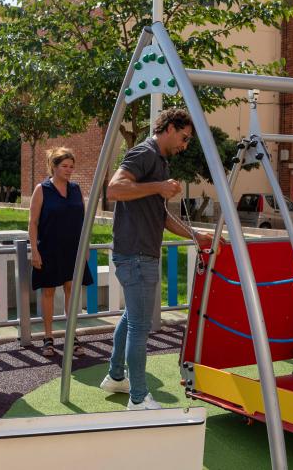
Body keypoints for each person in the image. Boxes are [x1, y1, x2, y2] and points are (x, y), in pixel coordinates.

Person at [99, 108, 213, 410]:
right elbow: (114, 189)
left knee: (131, 317)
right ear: (170, 128)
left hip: (139, 253)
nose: (185, 145)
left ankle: (115, 376)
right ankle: (137, 398)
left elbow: (160, 216)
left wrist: (195, 235)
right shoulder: (145, 152)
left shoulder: (158, 161)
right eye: (185, 138)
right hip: (135, 254)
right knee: (140, 324)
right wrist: (159, 187)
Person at [28, 148, 93, 357]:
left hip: (73, 249)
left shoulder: (75, 189)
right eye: (64, 166)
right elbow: (33, 222)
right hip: (48, 248)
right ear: (53, 167)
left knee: (71, 292)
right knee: (48, 292)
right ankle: (48, 338)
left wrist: (86, 247)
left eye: (71, 166)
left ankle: (71, 335)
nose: (69, 170)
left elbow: (83, 221)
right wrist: (34, 250)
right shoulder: (42, 189)